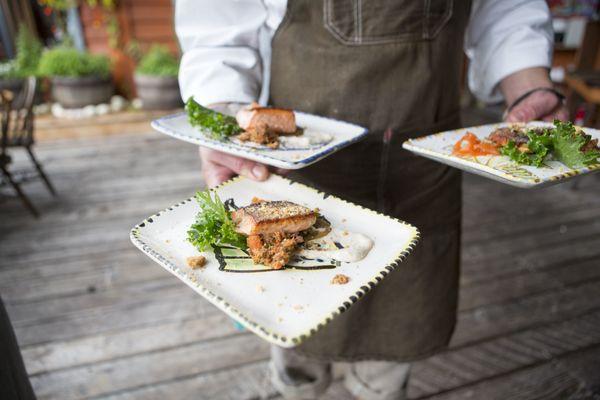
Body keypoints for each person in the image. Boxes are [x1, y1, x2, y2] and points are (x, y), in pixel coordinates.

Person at [175, 1, 567, 399]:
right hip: (301, 165)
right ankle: (293, 388)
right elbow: (218, 28)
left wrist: (531, 89)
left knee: (399, 320)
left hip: (421, 168)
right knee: (291, 312)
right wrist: (222, 122)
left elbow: (505, 9)